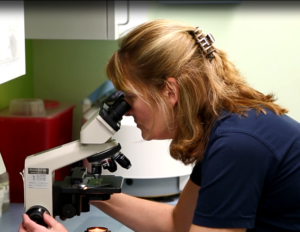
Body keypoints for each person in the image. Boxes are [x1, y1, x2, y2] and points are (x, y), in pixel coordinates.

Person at [19, 19, 300, 232]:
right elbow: (177, 223)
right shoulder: (225, 126)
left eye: (129, 97)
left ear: (169, 91)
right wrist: (90, 193)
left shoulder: (237, 146)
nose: (125, 112)